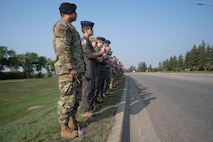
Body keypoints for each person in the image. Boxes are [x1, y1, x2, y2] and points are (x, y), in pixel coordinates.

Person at [52, 2, 86, 139]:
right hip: (68, 70)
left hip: (76, 70)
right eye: (74, 12)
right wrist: (70, 67)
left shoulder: (71, 28)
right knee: (67, 99)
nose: (76, 14)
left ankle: (72, 122)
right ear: (68, 12)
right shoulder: (61, 26)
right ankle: (64, 129)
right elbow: (62, 48)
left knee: (75, 98)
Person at [80, 21, 105, 117]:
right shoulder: (84, 41)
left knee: (91, 87)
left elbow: (92, 55)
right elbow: (89, 54)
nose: (92, 30)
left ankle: (89, 108)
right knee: (87, 89)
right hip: (88, 68)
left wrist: (98, 57)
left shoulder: (87, 41)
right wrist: (100, 53)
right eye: (91, 28)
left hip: (92, 67)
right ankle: (84, 110)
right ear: (86, 30)